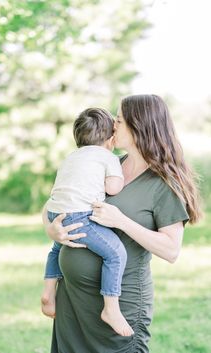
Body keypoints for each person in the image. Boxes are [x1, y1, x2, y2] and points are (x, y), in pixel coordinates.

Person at [42, 94, 201, 353]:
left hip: (119, 304)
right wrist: (51, 228)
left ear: (140, 126)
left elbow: (171, 250)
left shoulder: (162, 184)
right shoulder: (109, 164)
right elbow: (53, 203)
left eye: (119, 120)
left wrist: (122, 222)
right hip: (72, 301)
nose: (113, 126)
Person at [41, 107, 134, 337]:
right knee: (115, 253)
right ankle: (111, 309)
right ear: (110, 137)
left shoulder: (71, 157)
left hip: (56, 213)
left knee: (57, 247)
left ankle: (48, 292)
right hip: (80, 216)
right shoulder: (107, 157)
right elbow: (113, 187)